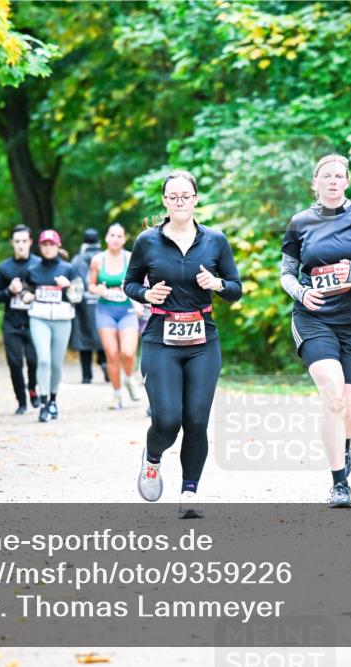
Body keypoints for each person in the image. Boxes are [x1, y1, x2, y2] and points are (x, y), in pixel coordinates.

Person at [279, 154, 351, 508]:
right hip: (314, 319)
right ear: (314, 183)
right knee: (332, 393)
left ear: (346, 182)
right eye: (326, 176)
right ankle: (339, 483)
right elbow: (287, 273)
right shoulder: (300, 223)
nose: (333, 181)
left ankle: (344, 443)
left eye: (339, 176)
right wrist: (301, 292)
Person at [124, 170, 242, 519]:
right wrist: (146, 293)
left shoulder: (215, 240)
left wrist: (218, 283)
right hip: (161, 337)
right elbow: (129, 284)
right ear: (164, 201)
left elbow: (235, 289)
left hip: (203, 339)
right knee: (167, 420)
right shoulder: (147, 241)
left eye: (185, 196)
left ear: (195, 199)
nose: (179, 201)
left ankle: (189, 491)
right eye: (172, 196)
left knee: (195, 420)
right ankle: (152, 458)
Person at [21, 229, 82, 423]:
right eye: (44, 245)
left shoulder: (69, 269)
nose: (48, 248)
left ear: (58, 246)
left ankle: (53, 400)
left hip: (63, 320)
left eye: (51, 244)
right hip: (39, 318)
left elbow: (78, 297)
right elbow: (25, 292)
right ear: (40, 247)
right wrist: (27, 296)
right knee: (44, 360)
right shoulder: (33, 270)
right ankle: (44, 403)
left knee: (56, 363)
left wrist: (68, 286)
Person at [87, 223, 144, 410]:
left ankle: (128, 378)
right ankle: (117, 394)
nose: (115, 239)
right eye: (112, 235)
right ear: (106, 238)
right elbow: (91, 285)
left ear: (124, 239)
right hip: (105, 311)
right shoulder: (97, 259)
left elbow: (139, 283)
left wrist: (138, 302)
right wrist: (100, 290)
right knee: (111, 354)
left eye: (119, 236)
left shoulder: (131, 258)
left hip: (127, 310)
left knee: (128, 352)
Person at [0, 224, 42, 414]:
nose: (21, 245)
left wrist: (34, 295)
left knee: (34, 360)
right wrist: (8, 291)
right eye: (17, 241)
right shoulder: (4, 268)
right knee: (15, 363)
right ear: (12, 243)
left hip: (34, 320)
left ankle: (33, 389)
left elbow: (46, 290)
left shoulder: (39, 264)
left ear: (30, 242)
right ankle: (21, 401)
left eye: (24, 241)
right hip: (11, 323)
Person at [70, 229, 109, 384]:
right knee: (104, 337)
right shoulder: (105, 258)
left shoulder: (77, 260)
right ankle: (105, 363)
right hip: (102, 302)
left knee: (84, 337)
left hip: (83, 304)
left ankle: (87, 377)